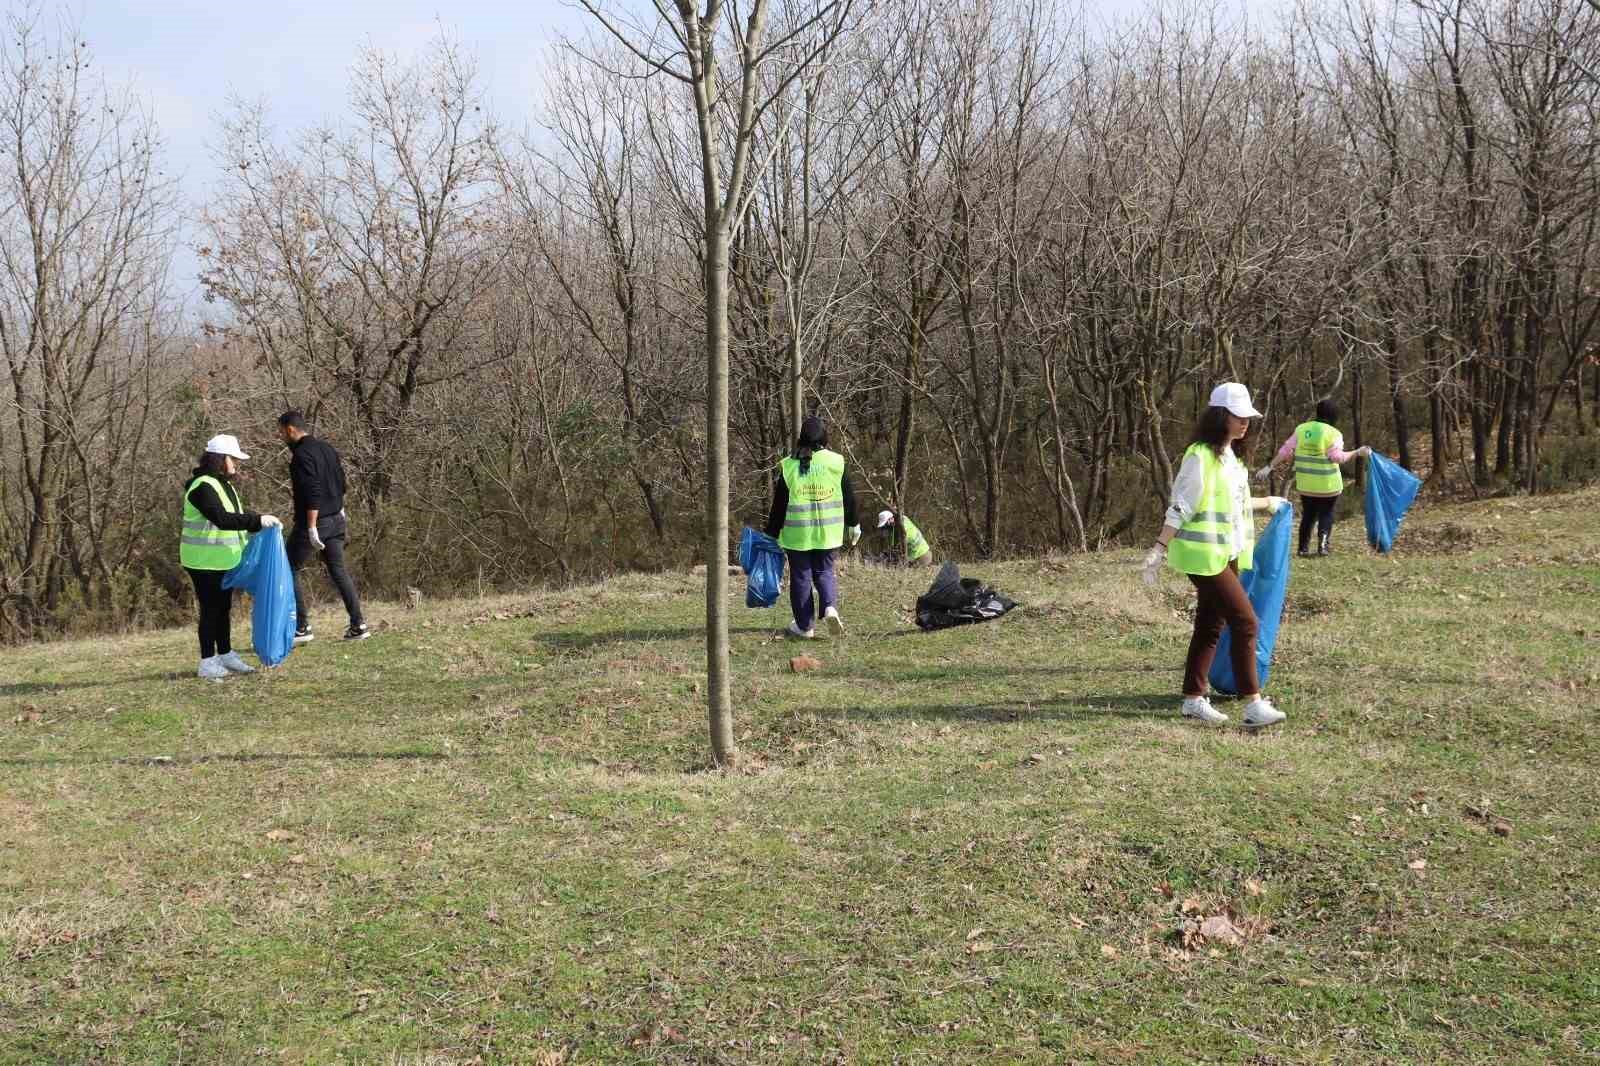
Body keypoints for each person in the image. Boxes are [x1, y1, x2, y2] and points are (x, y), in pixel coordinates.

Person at [1141, 383, 1289, 728]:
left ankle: (1193, 699)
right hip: (1202, 557)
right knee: (1246, 621)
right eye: (1239, 416)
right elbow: (1181, 505)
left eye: (1248, 418)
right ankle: (1253, 704)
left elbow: (1233, 505)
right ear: (1221, 416)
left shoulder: (1230, 460)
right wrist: (1159, 549)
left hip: (1225, 553)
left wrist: (1268, 503)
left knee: (1211, 624)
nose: (1245, 423)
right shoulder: (1200, 456)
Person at [181, 435, 281, 679]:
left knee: (223, 608)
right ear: (220, 459)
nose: (236, 464)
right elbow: (222, 519)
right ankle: (207, 661)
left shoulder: (223, 485)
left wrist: (260, 519)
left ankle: (225, 654)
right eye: (233, 459)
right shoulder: (202, 486)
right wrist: (257, 521)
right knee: (210, 610)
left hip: (222, 560)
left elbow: (236, 514)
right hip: (203, 561)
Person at [277, 411, 369, 642]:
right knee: (338, 570)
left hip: (316, 521)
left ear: (290, 430)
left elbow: (312, 492)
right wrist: (340, 509)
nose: (280, 436)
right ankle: (358, 625)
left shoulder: (301, 455)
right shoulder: (327, 449)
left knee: (287, 568)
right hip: (337, 518)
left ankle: (302, 627)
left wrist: (311, 527)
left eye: (280, 431)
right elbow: (342, 483)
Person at [765, 416, 860, 639]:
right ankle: (829, 607)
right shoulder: (837, 462)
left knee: (801, 577)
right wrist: (854, 523)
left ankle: (804, 626)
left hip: (798, 534)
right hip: (829, 532)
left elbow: (779, 505)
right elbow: (849, 497)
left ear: (801, 439)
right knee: (825, 571)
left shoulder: (788, 465)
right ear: (824, 438)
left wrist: (772, 532)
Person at [1255, 399, 1372, 557]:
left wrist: (1269, 467)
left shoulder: (1301, 429)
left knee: (1308, 515)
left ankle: (1302, 548)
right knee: (1326, 514)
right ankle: (1322, 546)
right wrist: (1357, 452)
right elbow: (1337, 457)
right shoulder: (1334, 433)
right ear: (1334, 416)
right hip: (1328, 485)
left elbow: (1285, 451)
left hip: (1306, 485)